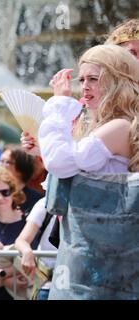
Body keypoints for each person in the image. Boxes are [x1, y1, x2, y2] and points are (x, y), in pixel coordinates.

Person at [38, 45, 139, 299]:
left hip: (102, 264)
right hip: (96, 259)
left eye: (94, 79)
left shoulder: (119, 126)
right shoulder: (112, 125)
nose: (84, 86)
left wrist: (59, 104)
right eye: (81, 79)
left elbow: (59, 161)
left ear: (118, 81)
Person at [0, 166, 38, 300]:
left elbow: (34, 259)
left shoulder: (27, 225)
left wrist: (2, 276)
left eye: (5, 192)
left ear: (13, 193)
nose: (0, 198)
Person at [15, 197, 57, 300]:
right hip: (47, 287)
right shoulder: (46, 203)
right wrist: (27, 251)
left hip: (81, 287)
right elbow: (21, 240)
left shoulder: (93, 205)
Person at [0, 145, 43, 215]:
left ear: (20, 168)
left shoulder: (37, 200)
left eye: (7, 162)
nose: (0, 165)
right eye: (0, 161)